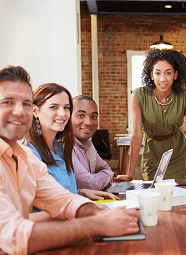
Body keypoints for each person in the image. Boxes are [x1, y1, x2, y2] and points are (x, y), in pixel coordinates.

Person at [0, 66, 139, 255]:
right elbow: (16, 236)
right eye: (7, 102)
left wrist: (102, 213)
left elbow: (63, 200)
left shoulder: (25, 157)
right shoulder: (32, 152)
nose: (19, 111)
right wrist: (96, 223)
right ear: (37, 112)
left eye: (25, 103)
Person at [115, 49, 186, 181]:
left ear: (175, 75)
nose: (163, 79)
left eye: (168, 73)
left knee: (178, 194)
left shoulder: (185, 96)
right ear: (151, 75)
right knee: (153, 192)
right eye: (157, 73)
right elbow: (136, 135)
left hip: (178, 154)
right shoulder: (139, 96)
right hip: (152, 155)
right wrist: (130, 173)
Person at [25, 83, 116, 203]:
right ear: (35, 111)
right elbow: (27, 213)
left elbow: (59, 192)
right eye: (54, 107)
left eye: (66, 107)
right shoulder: (29, 155)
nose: (62, 113)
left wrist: (80, 193)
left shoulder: (60, 148)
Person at [71, 95, 114, 190]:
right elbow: (89, 184)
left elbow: (107, 169)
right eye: (81, 115)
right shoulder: (65, 146)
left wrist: (101, 177)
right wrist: (106, 177)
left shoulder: (88, 144)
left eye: (93, 117)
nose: (89, 122)